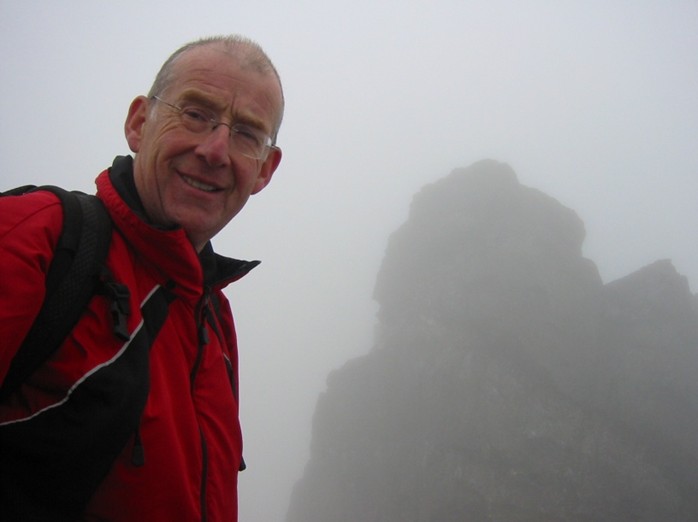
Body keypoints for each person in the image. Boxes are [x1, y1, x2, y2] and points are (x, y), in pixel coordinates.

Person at [0, 35, 283, 521]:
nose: (215, 150)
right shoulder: (33, 236)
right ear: (138, 123)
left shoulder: (213, 315)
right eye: (195, 113)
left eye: (246, 134)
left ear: (264, 171)